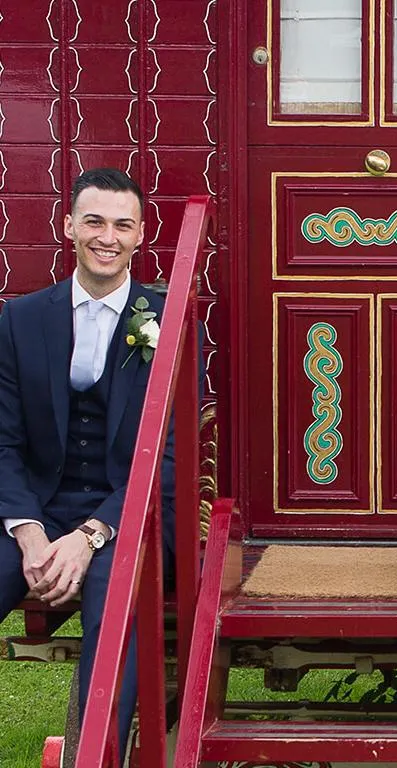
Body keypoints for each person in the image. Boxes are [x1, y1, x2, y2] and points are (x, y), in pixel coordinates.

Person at [0, 168, 185, 760]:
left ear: (139, 237)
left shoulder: (172, 321)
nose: (108, 236)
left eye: (122, 225)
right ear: (69, 227)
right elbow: (2, 441)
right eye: (95, 221)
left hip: (127, 511)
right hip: (38, 506)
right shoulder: (19, 319)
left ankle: (98, 753)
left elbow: (170, 455)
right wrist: (30, 536)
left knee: (119, 597)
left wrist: (89, 537)